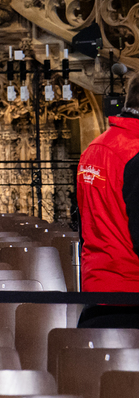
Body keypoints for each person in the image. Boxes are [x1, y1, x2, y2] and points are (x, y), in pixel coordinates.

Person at [76, 74, 139, 328]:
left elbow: (84, 223)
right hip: (132, 296)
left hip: (97, 295)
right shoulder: (134, 151)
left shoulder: (93, 149)